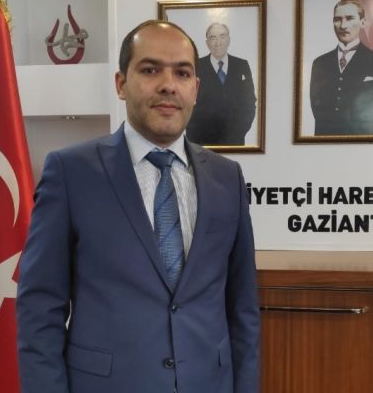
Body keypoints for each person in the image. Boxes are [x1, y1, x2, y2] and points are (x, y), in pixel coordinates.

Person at [16, 20, 259, 393]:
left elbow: (243, 309)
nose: (168, 84)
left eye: (182, 73)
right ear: (121, 83)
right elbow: (39, 309)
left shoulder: (227, 178)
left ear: (195, 89)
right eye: (150, 70)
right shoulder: (70, 172)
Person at [309, 0, 373, 135]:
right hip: (326, 141)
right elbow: (317, 108)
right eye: (337, 19)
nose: (343, 25)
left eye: (350, 18)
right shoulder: (320, 63)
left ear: (362, 22)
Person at [186, 22, 257, 145]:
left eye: (222, 36)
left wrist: (239, 132)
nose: (218, 43)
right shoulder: (196, 66)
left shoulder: (241, 65)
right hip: (200, 141)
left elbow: (250, 102)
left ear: (229, 40)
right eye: (213, 38)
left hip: (234, 141)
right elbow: (186, 102)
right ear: (207, 42)